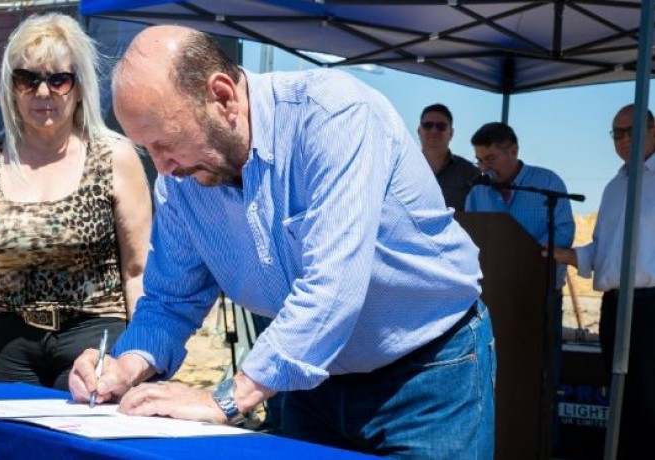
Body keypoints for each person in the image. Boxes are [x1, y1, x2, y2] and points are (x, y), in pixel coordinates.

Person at [69, 25, 496, 458]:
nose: (162, 168)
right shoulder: (179, 183)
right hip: (307, 381)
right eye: (148, 150)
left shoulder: (333, 116)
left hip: (427, 375)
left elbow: (333, 288)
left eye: (167, 142)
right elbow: (170, 300)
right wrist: (125, 366)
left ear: (223, 97)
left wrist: (227, 397)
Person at [0, 13, 152, 390]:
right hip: (8, 344)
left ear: (79, 88)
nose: (43, 92)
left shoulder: (116, 158)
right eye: (27, 79)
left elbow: (138, 271)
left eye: (58, 79)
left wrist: (139, 362)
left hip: (94, 337)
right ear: (11, 88)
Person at [547, 104, 655, 459]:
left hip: (652, 305)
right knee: (623, 401)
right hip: (615, 304)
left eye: (632, 132)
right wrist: (563, 255)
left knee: (652, 401)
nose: (624, 140)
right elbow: (603, 250)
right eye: (617, 133)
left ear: (654, 132)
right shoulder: (613, 188)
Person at [466, 122, 575, 291]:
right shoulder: (477, 193)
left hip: (539, 287)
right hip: (490, 288)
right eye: (479, 161)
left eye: (490, 159)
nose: (484, 168)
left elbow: (564, 231)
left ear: (513, 151)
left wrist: (524, 255)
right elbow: (469, 236)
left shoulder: (548, 182)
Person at [417, 103, 479, 211]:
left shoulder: (470, 173)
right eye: (427, 125)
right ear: (419, 131)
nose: (434, 130)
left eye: (441, 126)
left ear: (451, 133)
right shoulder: (401, 169)